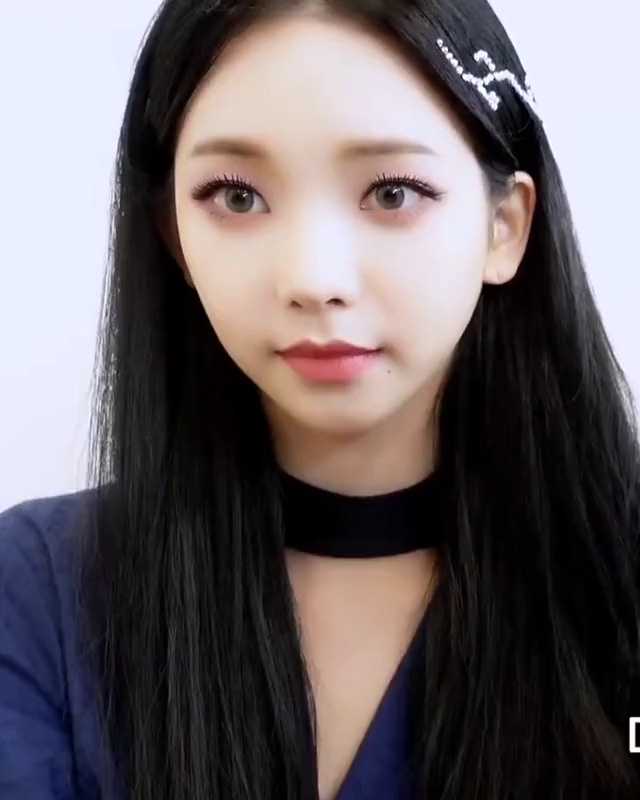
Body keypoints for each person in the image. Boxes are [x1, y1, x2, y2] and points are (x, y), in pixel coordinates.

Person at [1, 0, 640, 798]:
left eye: (393, 193)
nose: (314, 278)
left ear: (504, 226)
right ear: (175, 239)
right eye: (237, 197)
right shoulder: (39, 592)